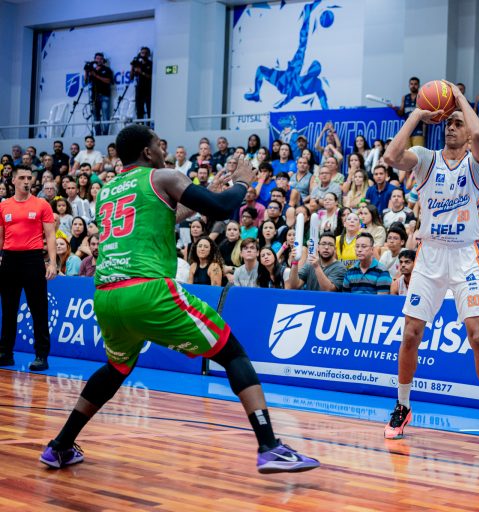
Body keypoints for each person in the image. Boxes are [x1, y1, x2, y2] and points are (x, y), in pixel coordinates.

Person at [39, 124, 318, 472]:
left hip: (106, 295)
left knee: (116, 368)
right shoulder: (164, 176)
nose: (164, 150)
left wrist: (204, 194)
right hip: (147, 290)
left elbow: (163, 215)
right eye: (159, 145)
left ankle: (60, 445)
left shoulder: (108, 190)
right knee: (232, 352)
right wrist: (242, 183)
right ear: (147, 152)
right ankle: (270, 447)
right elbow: (220, 208)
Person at [381, 81, 479, 449]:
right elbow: (391, 156)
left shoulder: (477, 164)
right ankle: (403, 405)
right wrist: (419, 114)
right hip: (430, 254)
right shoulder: (425, 158)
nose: (451, 127)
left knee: (478, 337)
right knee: (410, 334)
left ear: (466, 132)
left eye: (457, 123)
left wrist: (458, 97)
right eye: (447, 123)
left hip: (465, 256)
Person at [0, 166, 57, 371]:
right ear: (13, 180)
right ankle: (5, 353)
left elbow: (50, 235)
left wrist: (52, 262)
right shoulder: (4, 205)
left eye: (29, 177)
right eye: (22, 177)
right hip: (9, 260)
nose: (26, 181)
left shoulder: (42, 204)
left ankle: (41, 355)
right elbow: (1, 236)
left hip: (33, 259)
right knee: (8, 309)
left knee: (39, 310)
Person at [391, 77, 426, 148]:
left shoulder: (423, 97)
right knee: (407, 152)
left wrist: (424, 133)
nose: (413, 86)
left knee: (418, 152)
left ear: (419, 85)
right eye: (411, 84)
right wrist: (395, 108)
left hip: (418, 130)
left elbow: (425, 115)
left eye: (415, 84)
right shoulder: (405, 97)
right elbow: (401, 113)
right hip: (407, 129)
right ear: (409, 85)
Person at [85, 53, 113, 136]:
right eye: (97, 58)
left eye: (101, 58)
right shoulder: (92, 70)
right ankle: (98, 134)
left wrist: (96, 75)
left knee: (105, 116)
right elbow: (86, 82)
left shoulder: (107, 70)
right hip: (94, 96)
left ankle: (105, 134)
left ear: (103, 60)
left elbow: (108, 81)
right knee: (95, 116)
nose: (99, 60)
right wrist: (86, 71)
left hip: (104, 95)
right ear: (94, 59)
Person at [130, 47, 152, 122]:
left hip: (148, 89)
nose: (144, 54)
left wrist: (141, 72)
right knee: (139, 110)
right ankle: (140, 125)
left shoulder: (151, 64)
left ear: (148, 54)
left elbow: (152, 77)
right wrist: (132, 67)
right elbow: (131, 77)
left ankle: (149, 126)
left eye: (146, 53)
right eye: (142, 53)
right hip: (139, 89)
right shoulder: (137, 64)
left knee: (149, 109)